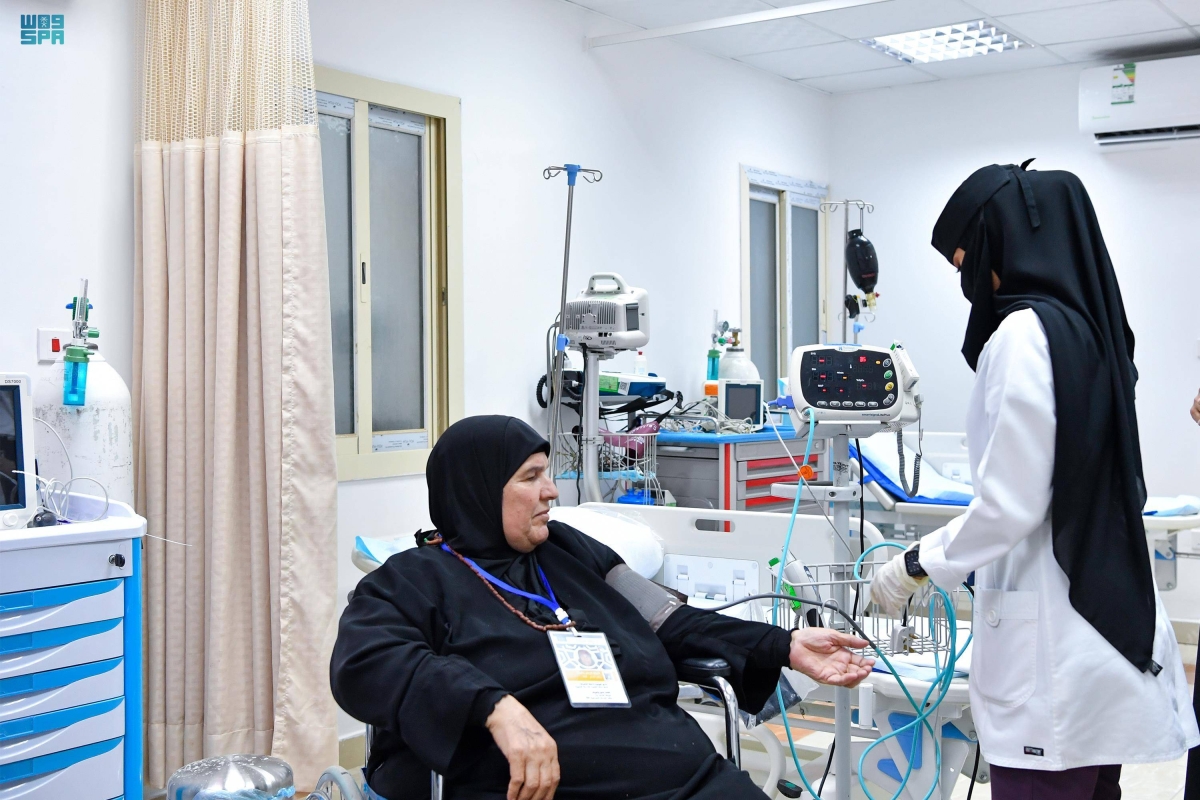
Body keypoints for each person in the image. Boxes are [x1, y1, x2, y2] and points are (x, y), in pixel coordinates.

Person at [869, 163, 1199, 800]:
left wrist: (915, 564)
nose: (970, 285)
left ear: (1005, 248)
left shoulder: (1023, 336)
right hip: (1109, 638)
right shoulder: (1096, 332)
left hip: (1053, 659)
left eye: (969, 263)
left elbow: (1011, 504)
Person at [332, 415, 874, 800]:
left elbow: (668, 621)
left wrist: (782, 644)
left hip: (679, 771)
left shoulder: (569, 550)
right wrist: (492, 706)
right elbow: (366, 662)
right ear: (477, 490)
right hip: (540, 783)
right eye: (530, 478)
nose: (551, 492)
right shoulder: (412, 579)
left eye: (548, 473)